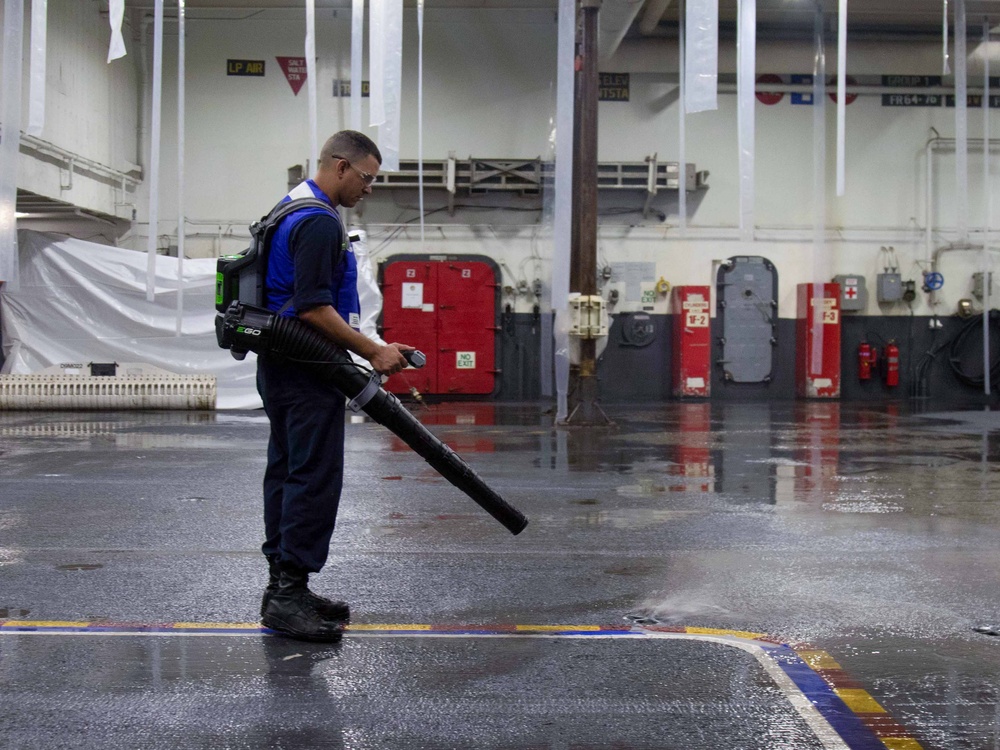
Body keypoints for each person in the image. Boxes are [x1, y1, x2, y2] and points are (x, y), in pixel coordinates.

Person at [256, 130, 412, 642]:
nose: (369, 188)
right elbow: (312, 307)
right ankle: (286, 595)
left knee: (288, 470)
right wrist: (374, 351)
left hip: (281, 364)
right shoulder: (320, 223)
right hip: (305, 367)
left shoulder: (289, 207)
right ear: (341, 167)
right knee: (312, 477)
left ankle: (286, 588)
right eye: (366, 178)